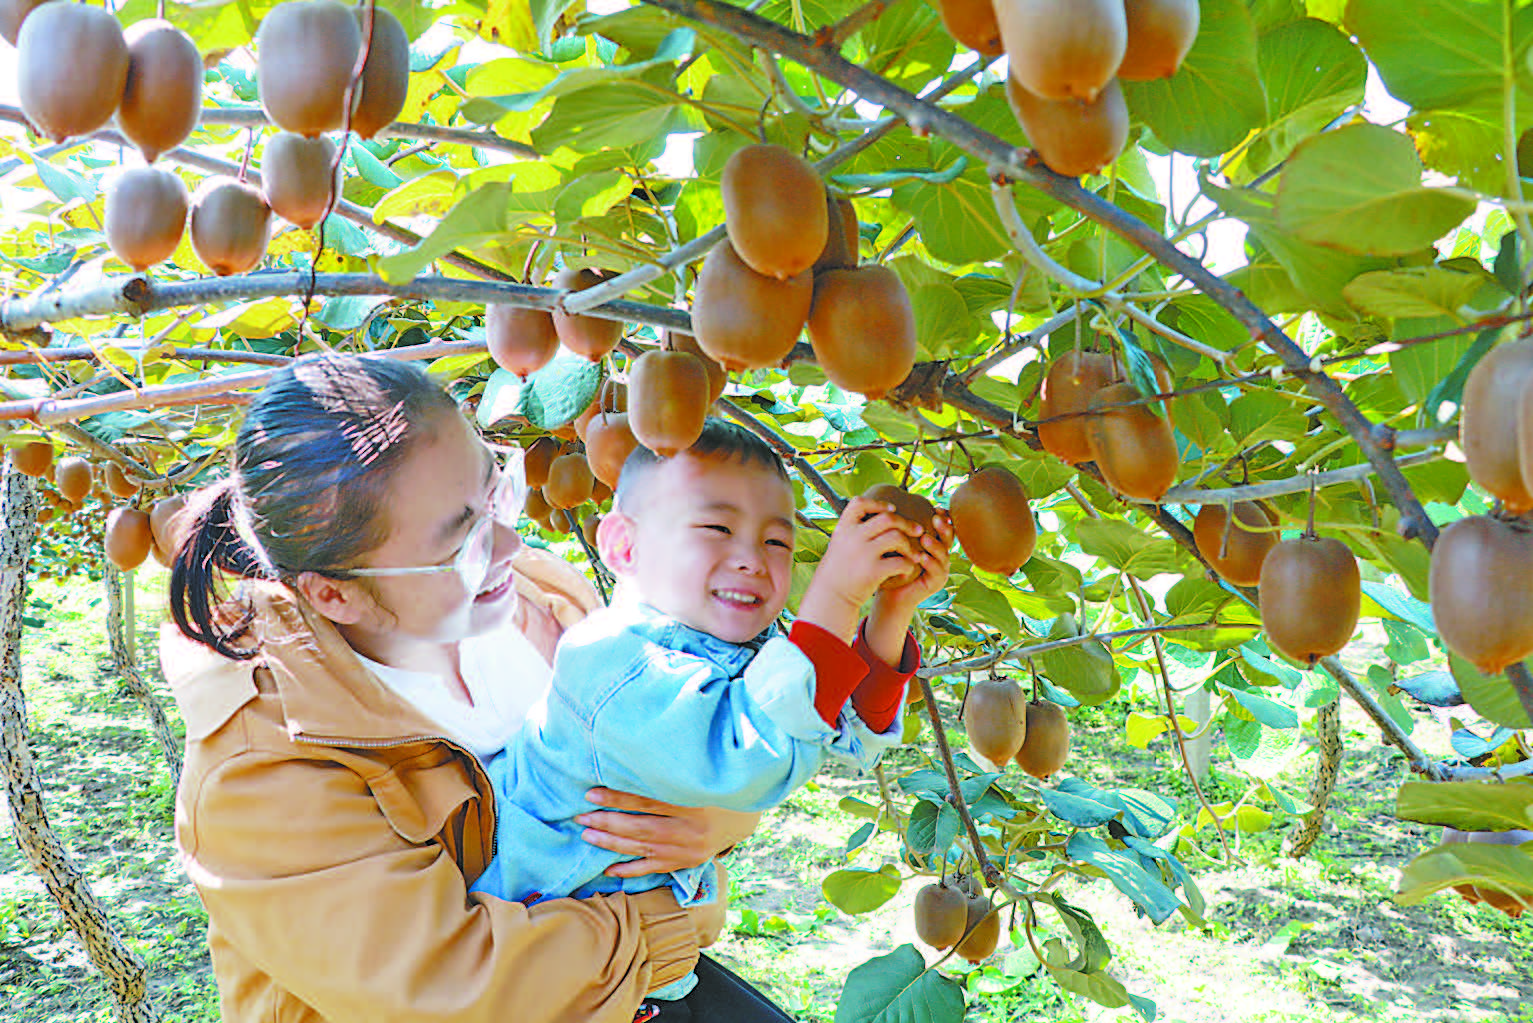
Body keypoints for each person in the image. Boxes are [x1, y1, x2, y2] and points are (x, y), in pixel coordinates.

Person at [160, 354, 812, 1023]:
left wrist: (713, 823)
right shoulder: (258, 772)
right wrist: (672, 918)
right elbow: (451, 990)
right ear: (334, 593)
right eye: (460, 539)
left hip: (617, 982)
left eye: (494, 490)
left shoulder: (544, 600)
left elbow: (685, 746)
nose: (507, 542)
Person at [469, 420, 953, 1012]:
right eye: (716, 528)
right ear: (624, 546)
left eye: (777, 542)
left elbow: (841, 732)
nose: (751, 559)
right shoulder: (615, 662)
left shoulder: (723, 648)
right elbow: (751, 755)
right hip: (543, 983)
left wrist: (889, 611)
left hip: (628, 972)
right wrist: (837, 597)